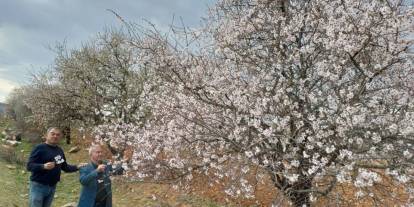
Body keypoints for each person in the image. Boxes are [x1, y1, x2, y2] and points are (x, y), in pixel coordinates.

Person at [27, 127, 87, 207]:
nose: (55, 136)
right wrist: (43, 166)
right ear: (46, 135)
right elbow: (29, 166)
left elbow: (65, 167)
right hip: (38, 186)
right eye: (53, 134)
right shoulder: (39, 148)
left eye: (58, 135)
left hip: (52, 187)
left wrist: (77, 166)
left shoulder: (59, 151)